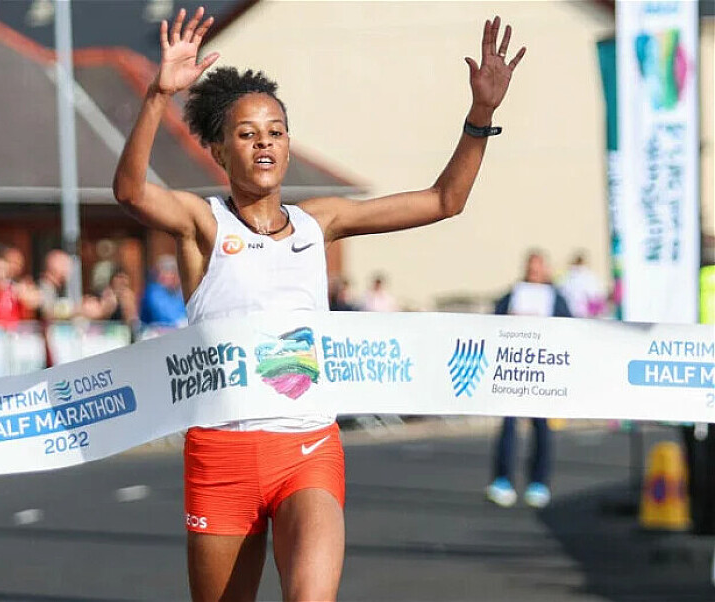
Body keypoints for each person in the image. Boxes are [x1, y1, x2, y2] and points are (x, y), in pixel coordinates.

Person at [111, 8, 524, 600]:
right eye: (247, 134)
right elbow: (129, 191)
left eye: (276, 131)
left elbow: (443, 200)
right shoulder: (203, 224)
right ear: (219, 151)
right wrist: (158, 95)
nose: (264, 142)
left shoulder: (318, 223)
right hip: (222, 453)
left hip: (306, 447)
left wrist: (481, 114)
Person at [486, 250, 572, 510]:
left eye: (538, 268)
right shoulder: (513, 294)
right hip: (513, 370)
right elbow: (494, 321)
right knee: (508, 426)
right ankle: (503, 480)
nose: (534, 273)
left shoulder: (555, 297)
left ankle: (538, 482)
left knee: (542, 428)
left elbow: (568, 327)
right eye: (530, 268)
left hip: (543, 371)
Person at [139, 254, 188, 328]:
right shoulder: (153, 293)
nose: (176, 278)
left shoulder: (179, 292)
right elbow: (164, 316)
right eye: (169, 273)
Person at [557, 250, 606, 318]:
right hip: (584, 313)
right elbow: (595, 294)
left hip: (571, 312)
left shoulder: (567, 276)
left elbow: (561, 291)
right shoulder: (589, 276)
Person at [37, 249, 72, 320]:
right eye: (65, 265)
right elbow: (47, 313)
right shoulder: (44, 287)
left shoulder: (57, 288)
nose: (69, 269)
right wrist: (77, 311)